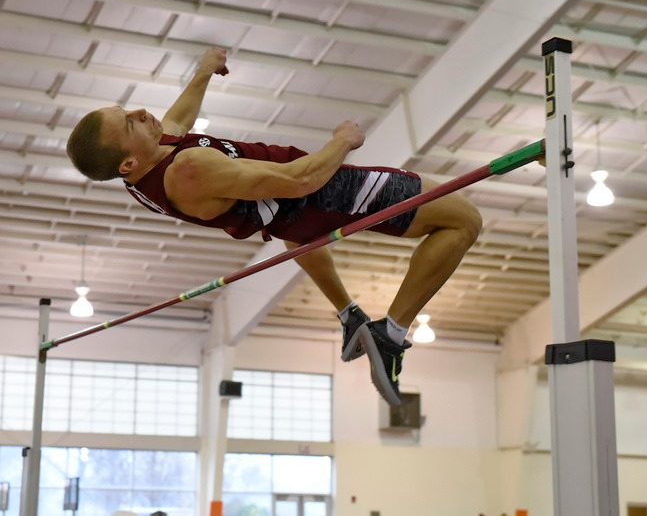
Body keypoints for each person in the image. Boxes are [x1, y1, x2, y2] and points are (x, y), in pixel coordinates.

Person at [66, 47, 482, 406]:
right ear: (127, 162)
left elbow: (177, 120)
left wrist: (204, 71)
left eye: (128, 110)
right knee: (462, 220)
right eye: (130, 123)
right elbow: (302, 180)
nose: (141, 113)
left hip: (288, 218)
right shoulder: (188, 170)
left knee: (297, 232)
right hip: (327, 194)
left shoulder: (143, 170)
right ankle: (391, 334)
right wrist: (343, 140)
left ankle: (350, 315)